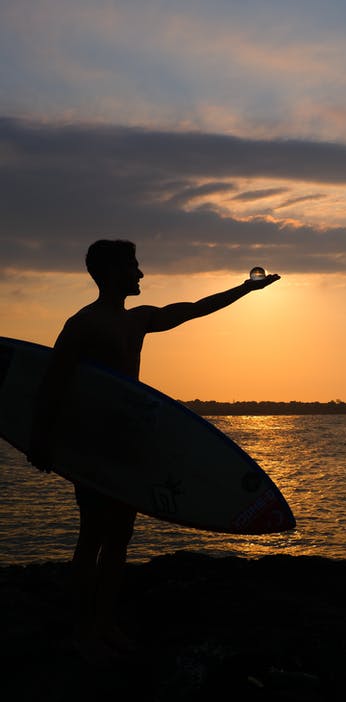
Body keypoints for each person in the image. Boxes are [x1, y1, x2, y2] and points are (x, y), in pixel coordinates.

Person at [27, 239, 280, 663]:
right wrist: (41, 440)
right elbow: (52, 384)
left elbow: (194, 308)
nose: (141, 274)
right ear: (111, 272)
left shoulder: (138, 320)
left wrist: (244, 289)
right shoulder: (83, 325)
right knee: (92, 535)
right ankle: (81, 630)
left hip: (129, 442)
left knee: (121, 536)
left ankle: (106, 623)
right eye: (134, 267)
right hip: (94, 443)